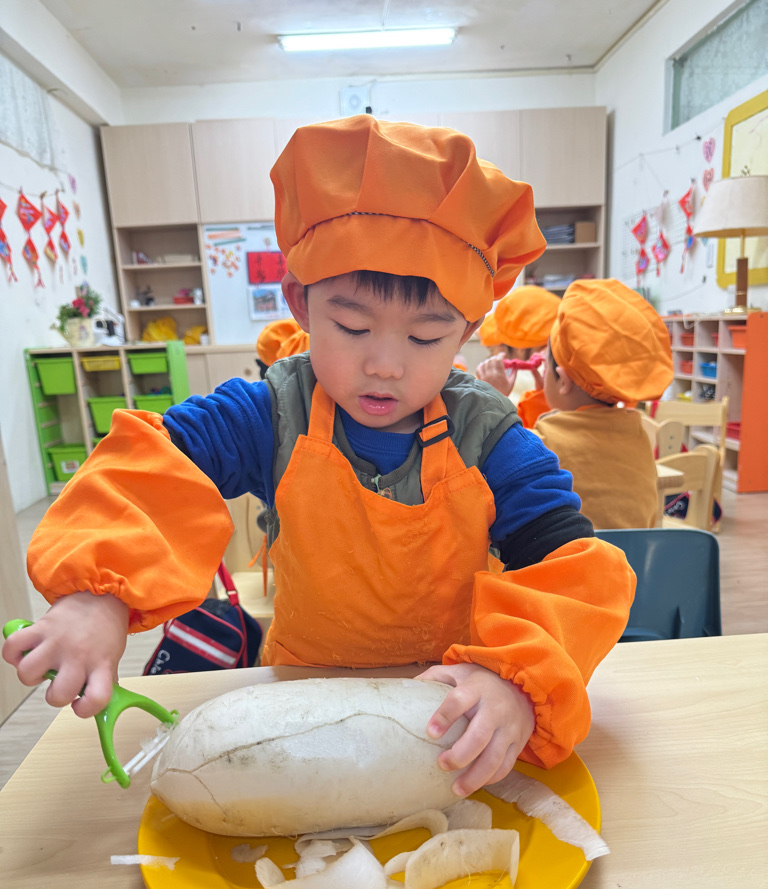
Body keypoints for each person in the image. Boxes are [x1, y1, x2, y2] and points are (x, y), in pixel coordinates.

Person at [2, 116, 635, 799]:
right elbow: (151, 461)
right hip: (297, 697)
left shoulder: (489, 438)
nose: (385, 364)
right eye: (352, 325)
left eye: (426, 337)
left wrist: (514, 677)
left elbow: (573, 568)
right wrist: (97, 595)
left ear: (468, 329)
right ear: (300, 302)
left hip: (446, 706)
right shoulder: (272, 414)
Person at [512, 278, 673, 529]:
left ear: (563, 380)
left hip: (573, 555)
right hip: (634, 555)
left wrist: (493, 395)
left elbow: (498, 457)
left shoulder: (544, 441)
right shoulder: (638, 434)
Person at [476, 285, 560, 402]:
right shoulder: (560, 360)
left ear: (519, 348)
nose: (493, 356)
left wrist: (493, 394)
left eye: (493, 350)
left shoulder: (527, 379)